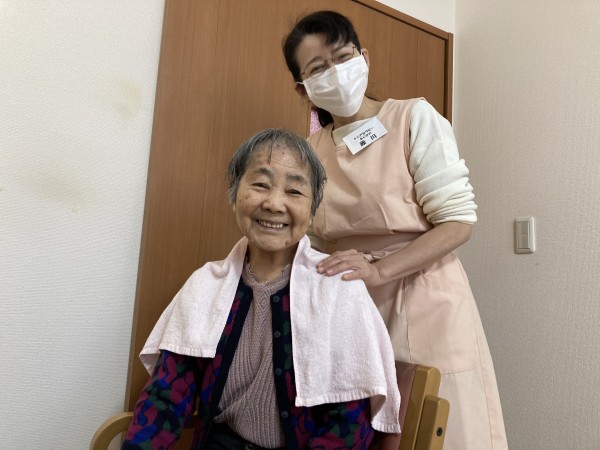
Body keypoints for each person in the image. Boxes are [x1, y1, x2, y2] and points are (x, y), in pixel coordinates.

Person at [282, 11, 508, 450]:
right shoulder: (311, 150)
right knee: (366, 428)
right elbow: (312, 238)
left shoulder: (412, 117)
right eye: (318, 68)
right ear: (302, 89)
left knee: (436, 425)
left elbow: (458, 222)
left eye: (342, 57)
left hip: (424, 295)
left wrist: (381, 270)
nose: (335, 73)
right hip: (351, 304)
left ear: (364, 58)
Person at [121, 128, 401, 449]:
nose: (274, 204)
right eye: (260, 185)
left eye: (294, 191)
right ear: (234, 194)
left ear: (312, 211)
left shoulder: (339, 289)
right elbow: (166, 398)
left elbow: (348, 425)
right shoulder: (205, 285)